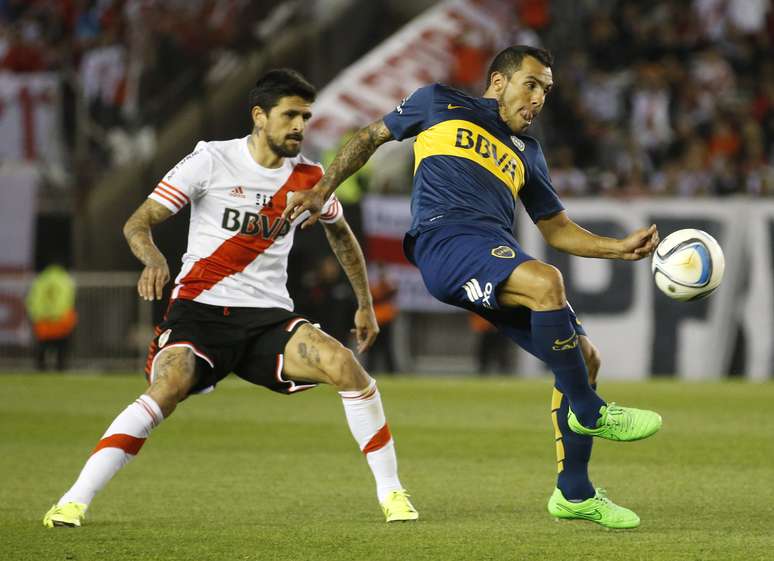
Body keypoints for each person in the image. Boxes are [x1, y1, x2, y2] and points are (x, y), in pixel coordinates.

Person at [284, 46, 662, 529]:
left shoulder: (529, 152)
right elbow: (370, 136)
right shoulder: (438, 102)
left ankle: (574, 491)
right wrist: (323, 188)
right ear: (499, 82)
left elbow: (557, 229)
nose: (540, 97)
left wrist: (617, 248)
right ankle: (590, 411)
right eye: (531, 83)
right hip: (444, 239)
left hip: (491, 252)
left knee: (584, 358)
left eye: (547, 89)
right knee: (547, 281)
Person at [43, 69, 418, 528]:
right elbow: (137, 222)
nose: (300, 125)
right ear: (259, 116)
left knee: (344, 365)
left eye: (306, 116)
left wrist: (363, 302)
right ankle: (73, 500)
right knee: (168, 387)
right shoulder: (211, 160)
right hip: (198, 312)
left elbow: (341, 234)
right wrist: (154, 259)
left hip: (266, 321)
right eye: (290, 115)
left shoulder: (311, 177)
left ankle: (392, 493)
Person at [26, 263, 78, 371]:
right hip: (60, 320)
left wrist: (35, 314)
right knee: (61, 348)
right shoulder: (64, 279)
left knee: (42, 348)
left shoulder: (40, 279)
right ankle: (61, 369)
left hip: (42, 320)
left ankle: (41, 369)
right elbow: (69, 299)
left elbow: (32, 298)